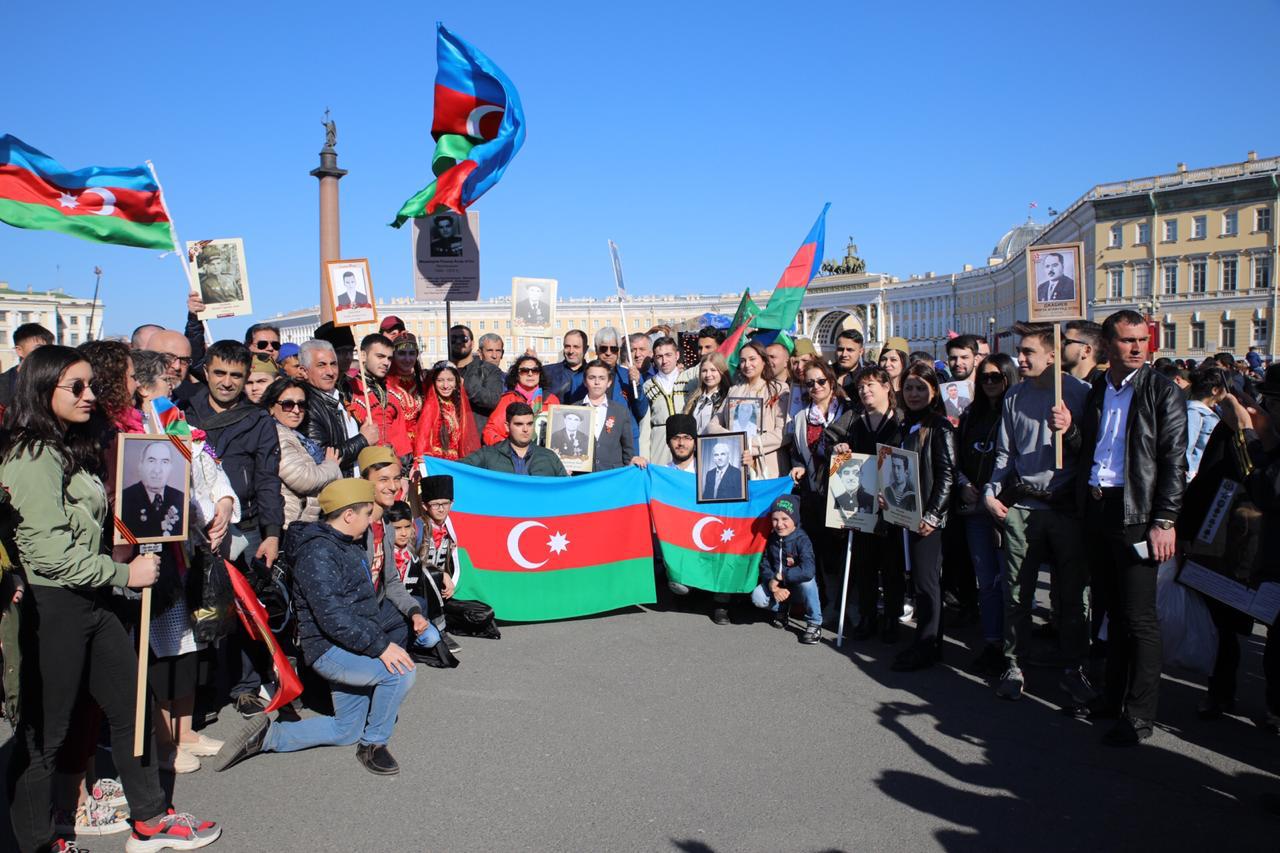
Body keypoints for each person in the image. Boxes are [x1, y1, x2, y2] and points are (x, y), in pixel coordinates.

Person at [1, 345, 221, 852]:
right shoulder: (32, 455)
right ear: (41, 390)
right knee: (44, 735)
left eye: (90, 385)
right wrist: (123, 571)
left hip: (94, 598)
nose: (89, 395)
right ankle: (37, 842)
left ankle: (149, 818)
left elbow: (96, 522)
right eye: (75, 387)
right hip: (53, 606)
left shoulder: (71, 445)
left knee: (132, 708)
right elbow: (49, 554)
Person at [215, 478, 417, 777]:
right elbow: (333, 617)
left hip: (350, 643)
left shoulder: (345, 544)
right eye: (366, 513)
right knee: (401, 672)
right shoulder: (319, 552)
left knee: (346, 729)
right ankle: (374, 744)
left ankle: (269, 737)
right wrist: (381, 647)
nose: (370, 520)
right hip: (330, 649)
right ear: (349, 515)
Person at [1078, 309, 1187, 746]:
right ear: (1107, 346)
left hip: (1138, 512)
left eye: (1143, 339)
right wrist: (1067, 432)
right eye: (1127, 340)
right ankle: (1111, 696)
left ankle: (1139, 715)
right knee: (1110, 612)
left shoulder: (1162, 392)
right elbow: (1091, 447)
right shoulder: (1096, 391)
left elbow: (1173, 462)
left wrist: (1165, 520)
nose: (1139, 347)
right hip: (1098, 507)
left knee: (1139, 618)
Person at [981, 323, 1092, 706]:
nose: (1021, 359)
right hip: (1023, 508)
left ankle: (1074, 666)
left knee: (1073, 596)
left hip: (1066, 510)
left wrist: (1071, 429)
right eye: (1020, 352)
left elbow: (1091, 452)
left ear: (1052, 355)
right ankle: (1014, 664)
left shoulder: (1081, 394)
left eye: (1029, 352)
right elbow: (1004, 454)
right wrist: (991, 490)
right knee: (1017, 594)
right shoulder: (1015, 396)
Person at [181, 340, 285, 719]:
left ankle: (244, 686)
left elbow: (268, 477)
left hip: (248, 526)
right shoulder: (180, 410)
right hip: (193, 528)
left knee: (245, 611)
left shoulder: (257, 419)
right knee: (201, 609)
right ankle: (201, 690)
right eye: (220, 373)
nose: (227, 383)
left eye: (236, 376)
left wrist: (272, 532)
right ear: (206, 371)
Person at [885, 362, 957, 672]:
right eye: (909, 388)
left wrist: (933, 514)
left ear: (934, 391)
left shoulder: (940, 426)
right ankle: (925, 642)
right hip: (904, 513)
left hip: (927, 519)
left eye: (921, 388)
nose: (914, 394)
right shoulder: (904, 425)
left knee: (928, 584)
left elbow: (947, 475)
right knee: (916, 580)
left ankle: (928, 645)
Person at [955, 352, 1018, 675]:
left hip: (1009, 508)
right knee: (987, 582)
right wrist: (964, 483)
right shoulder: (970, 415)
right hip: (976, 508)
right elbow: (958, 458)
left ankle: (1015, 650)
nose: (991, 383)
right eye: (985, 378)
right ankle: (992, 642)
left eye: (997, 377)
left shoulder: (1016, 412)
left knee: (1012, 583)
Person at [357, 446, 438, 653]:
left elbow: (391, 580)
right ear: (364, 482)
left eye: (396, 478)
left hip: (375, 608)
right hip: (355, 615)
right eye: (383, 479)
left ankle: (394, 662)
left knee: (417, 609)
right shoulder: (356, 528)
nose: (393, 487)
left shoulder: (386, 526)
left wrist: (414, 613)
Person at [785, 360, 850, 620]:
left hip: (845, 494)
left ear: (831, 382)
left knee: (841, 554)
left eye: (821, 381)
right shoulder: (802, 418)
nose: (816, 387)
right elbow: (797, 452)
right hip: (815, 494)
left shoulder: (848, 412)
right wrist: (798, 466)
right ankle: (821, 602)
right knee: (818, 550)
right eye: (810, 383)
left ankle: (847, 606)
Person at [264, 376, 341, 528]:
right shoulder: (275, 435)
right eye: (287, 405)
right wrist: (331, 466)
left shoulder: (299, 436)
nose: (296, 410)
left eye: (301, 404)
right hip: (290, 525)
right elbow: (304, 479)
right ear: (271, 408)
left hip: (306, 522)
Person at [751, 495, 822, 644]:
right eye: (775, 519)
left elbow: (808, 570)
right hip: (779, 587)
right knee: (757, 596)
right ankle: (782, 608)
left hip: (796, 588)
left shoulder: (802, 539)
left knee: (808, 582)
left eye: (785, 519)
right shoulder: (772, 539)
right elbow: (765, 564)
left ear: (794, 519)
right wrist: (772, 584)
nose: (779, 524)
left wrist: (781, 576)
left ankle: (814, 623)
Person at [710, 342, 787, 478]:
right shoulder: (734, 390)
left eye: (752, 359)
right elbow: (712, 426)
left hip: (768, 466)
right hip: (736, 462)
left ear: (764, 361)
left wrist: (749, 444)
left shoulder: (779, 389)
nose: (747, 364)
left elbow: (783, 433)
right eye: (743, 361)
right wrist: (734, 440)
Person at [300, 339, 377, 475]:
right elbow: (321, 456)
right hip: (335, 488)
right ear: (304, 371)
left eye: (333, 364)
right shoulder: (305, 404)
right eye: (321, 365)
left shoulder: (338, 395)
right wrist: (363, 439)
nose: (330, 371)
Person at [569, 327, 648, 445]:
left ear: (619, 351)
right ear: (596, 349)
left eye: (614, 349)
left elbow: (641, 411)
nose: (608, 352)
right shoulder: (579, 379)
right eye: (603, 348)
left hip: (623, 440)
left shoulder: (630, 376)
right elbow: (575, 412)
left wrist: (636, 385)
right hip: (592, 440)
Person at [462, 403, 568, 476]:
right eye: (519, 424)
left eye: (530, 424)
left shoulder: (549, 457)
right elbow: (456, 470)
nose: (526, 429)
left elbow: (567, 491)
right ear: (507, 426)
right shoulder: (488, 454)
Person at [483, 355, 561, 446]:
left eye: (535, 370)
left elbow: (558, 433)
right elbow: (491, 431)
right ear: (517, 375)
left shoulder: (552, 400)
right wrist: (507, 448)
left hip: (542, 455)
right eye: (524, 371)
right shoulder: (507, 400)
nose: (530, 374)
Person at [415, 362, 481, 461]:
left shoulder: (457, 406)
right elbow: (423, 440)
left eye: (450, 380)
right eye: (440, 380)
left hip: (455, 463)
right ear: (434, 383)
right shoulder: (431, 406)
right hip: (437, 462)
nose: (445, 385)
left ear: (456, 382)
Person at [119, 440, 185, 538]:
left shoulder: (180, 498)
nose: (157, 470)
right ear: (141, 466)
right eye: (151, 461)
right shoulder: (124, 499)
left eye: (164, 462)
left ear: (171, 467)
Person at [581, 359, 635, 471]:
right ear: (585, 382)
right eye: (592, 378)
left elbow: (628, 449)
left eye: (602, 378)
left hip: (612, 476)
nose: (597, 382)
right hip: (582, 476)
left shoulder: (621, 411)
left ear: (609, 382)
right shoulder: (574, 409)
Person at [449, 325, 505, 433]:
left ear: (472, 343)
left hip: (477, 438)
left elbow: (493, 400)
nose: (458, 342)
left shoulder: (489, 370)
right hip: (450, 439)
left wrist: (465, 385)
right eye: (453, 339)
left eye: (464, 339)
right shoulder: (442, 370)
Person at [640, 336, 687, 464]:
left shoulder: (689, 380)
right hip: (660, 443)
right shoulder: (648, 386)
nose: (664, 360)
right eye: (659, 356)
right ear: (654, 359)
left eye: (668, 355)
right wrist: (645, 456)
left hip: (687, 442)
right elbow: (645, 426)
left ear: (677, 355)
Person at [1185, 367, 1227, 481]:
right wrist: (1190, 475)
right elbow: (1187, 447)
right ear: (1215, 390)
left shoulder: (1212, 410)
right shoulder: (1194, 412)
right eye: (1225, 388)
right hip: (1192, 475)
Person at [387, 334, 426, 454]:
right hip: (397, 448)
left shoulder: (424, 382)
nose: (408, 359)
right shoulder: (385, 383)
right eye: (402, 353)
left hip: (421, 447)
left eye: (412, 353)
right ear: (393, 355)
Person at [0, 322, 53, 408]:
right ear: (19, 350)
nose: (46, 352)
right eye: (39, 348)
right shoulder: (4, 383)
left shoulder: (54, 380)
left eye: (49, 348)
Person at [684, 352, 731, 434]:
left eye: (713, 370)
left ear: (721, 371)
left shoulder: (727, 398)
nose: (708, 375)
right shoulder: (694, 399)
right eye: (704, 371)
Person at [544, 330, 589, 402]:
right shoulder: (547, 372)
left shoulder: (593, 374)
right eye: (567, 346)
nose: (571, 351)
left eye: (576, 347)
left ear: (585, 349)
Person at [831, 329, 865, 398]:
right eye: (840, 349)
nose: (844, 354)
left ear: (861, 352)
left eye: (850, 350)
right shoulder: (825, 373)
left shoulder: (866, 377)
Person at [878, 336, 909, 402]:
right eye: (883, 359)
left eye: (893, 360)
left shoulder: (911, 393)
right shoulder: (876, 392)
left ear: (904, 362)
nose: (887, 364)